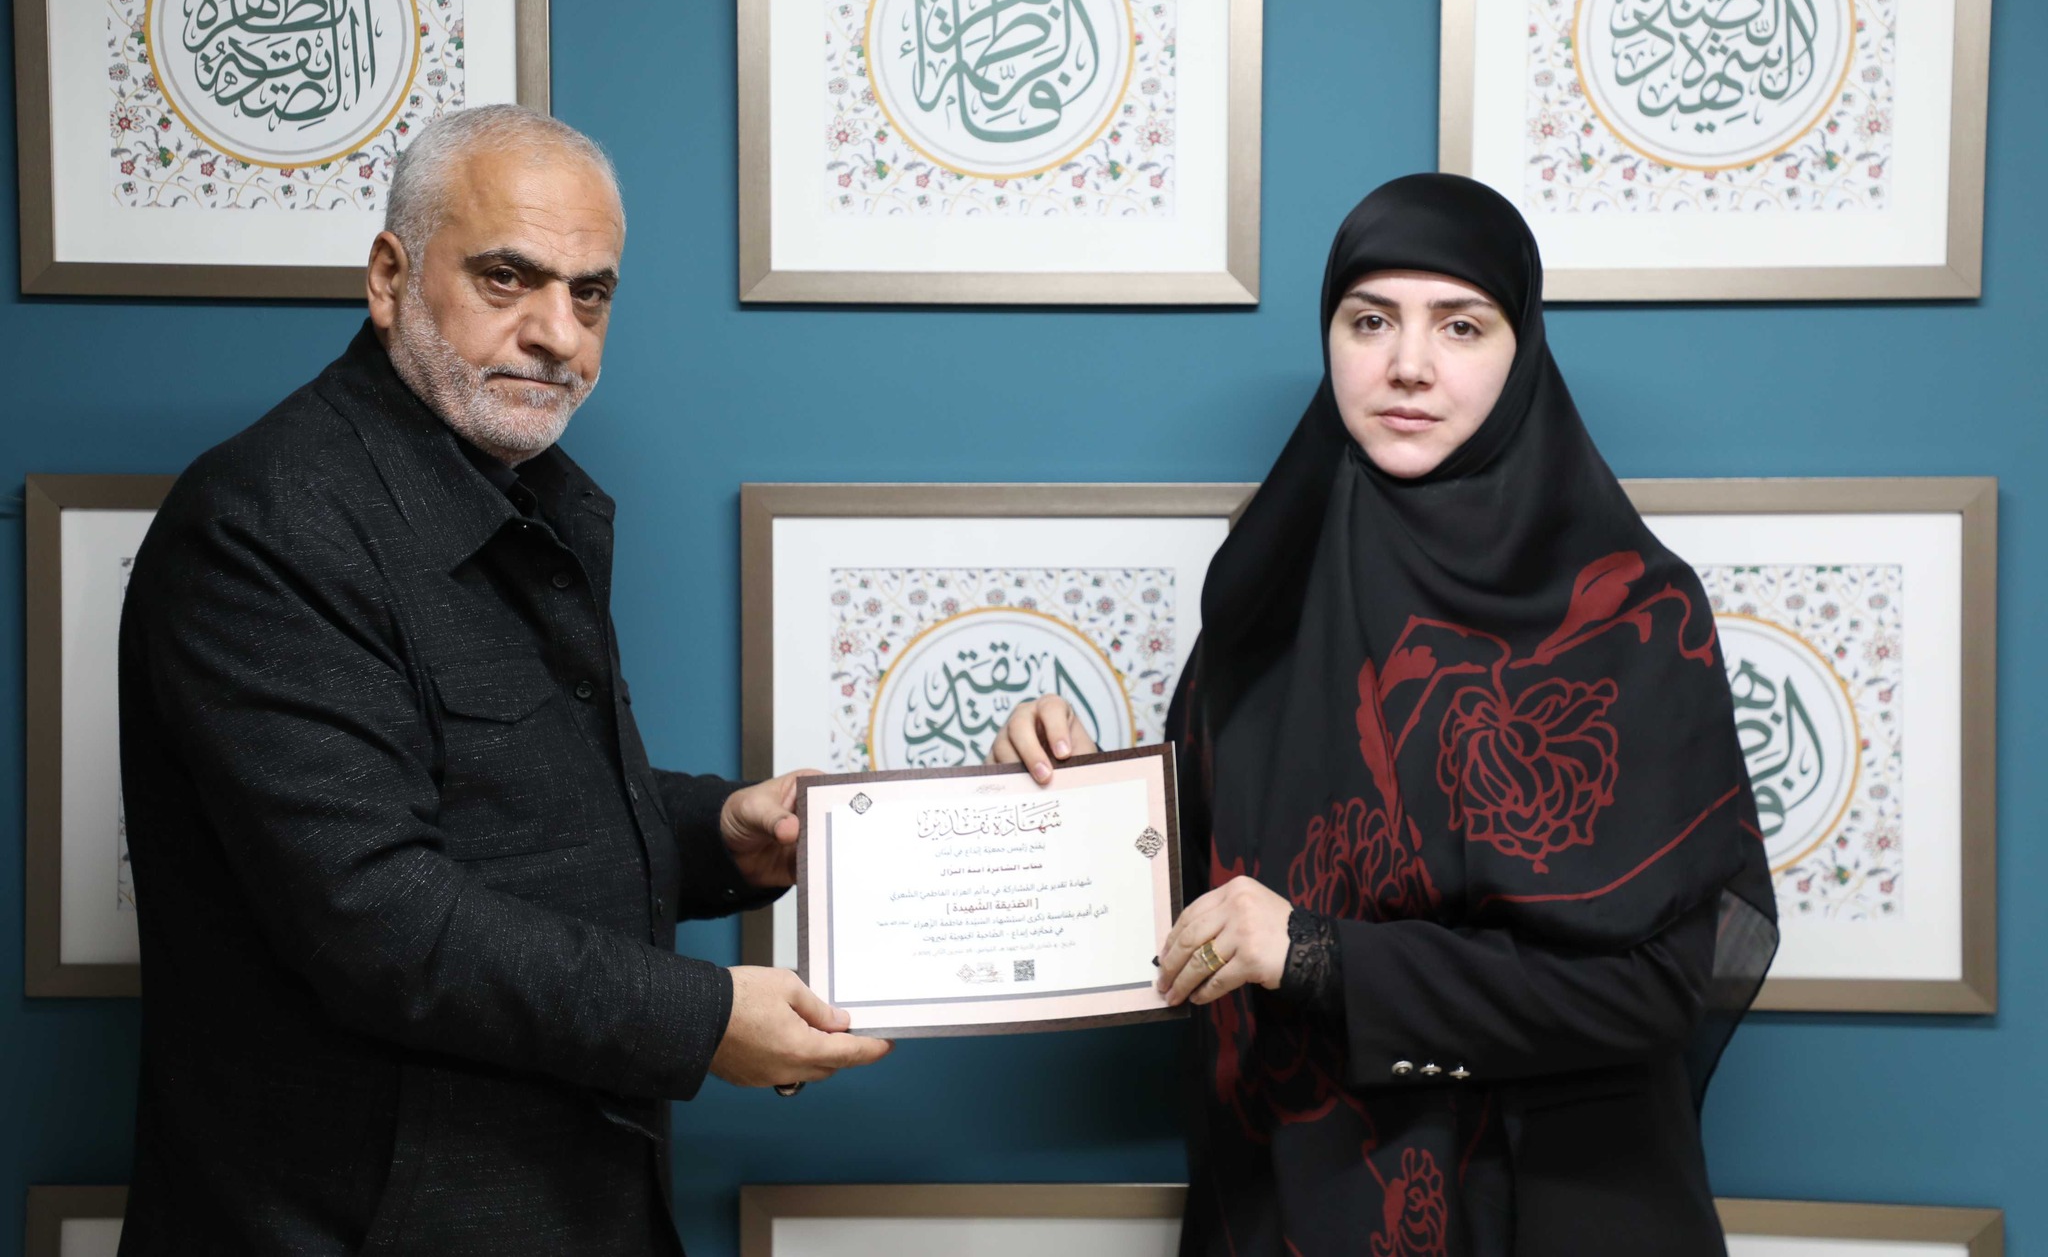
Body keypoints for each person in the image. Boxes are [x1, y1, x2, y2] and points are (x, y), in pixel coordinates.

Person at [116, 105, 888, 1256]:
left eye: (591, 294)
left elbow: (509, 815)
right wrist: (703, 1019)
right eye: (506, 278)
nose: (557, 335)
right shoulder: (266, 525)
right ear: (389, 278)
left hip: (562, 1200)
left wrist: (723, 836)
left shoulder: (522, 490)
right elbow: (379, 917)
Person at [991, 174, 1778, 1256]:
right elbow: (1208, 897)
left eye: (1459, 324)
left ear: (1521, 349)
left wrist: (1322, 957)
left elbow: (1658, 989)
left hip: (1544, 1204)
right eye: (1369, 321)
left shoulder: (1634, 615)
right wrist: (1069, 805)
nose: (1407, 363)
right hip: (1289, 1191)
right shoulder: (1270, 582)